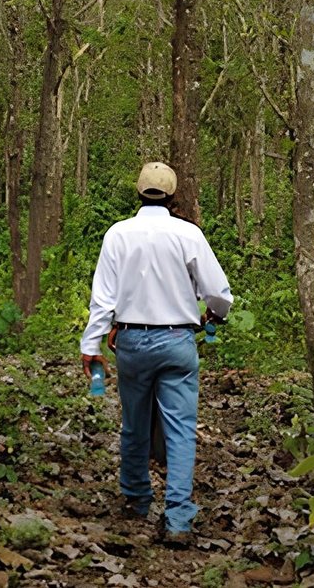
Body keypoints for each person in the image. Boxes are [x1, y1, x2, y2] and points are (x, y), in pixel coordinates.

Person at [80, 162, 233, 545]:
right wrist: (215, 314)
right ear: (172, 195)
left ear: (138, 192)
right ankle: (178, 517)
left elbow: (103, 298)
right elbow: (218, 292)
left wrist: (91, 345)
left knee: (134, 423)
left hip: (130, 341)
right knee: (180, 430)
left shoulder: (118, 234)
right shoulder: (188, 234)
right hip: (177, 342)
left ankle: (136, 499)